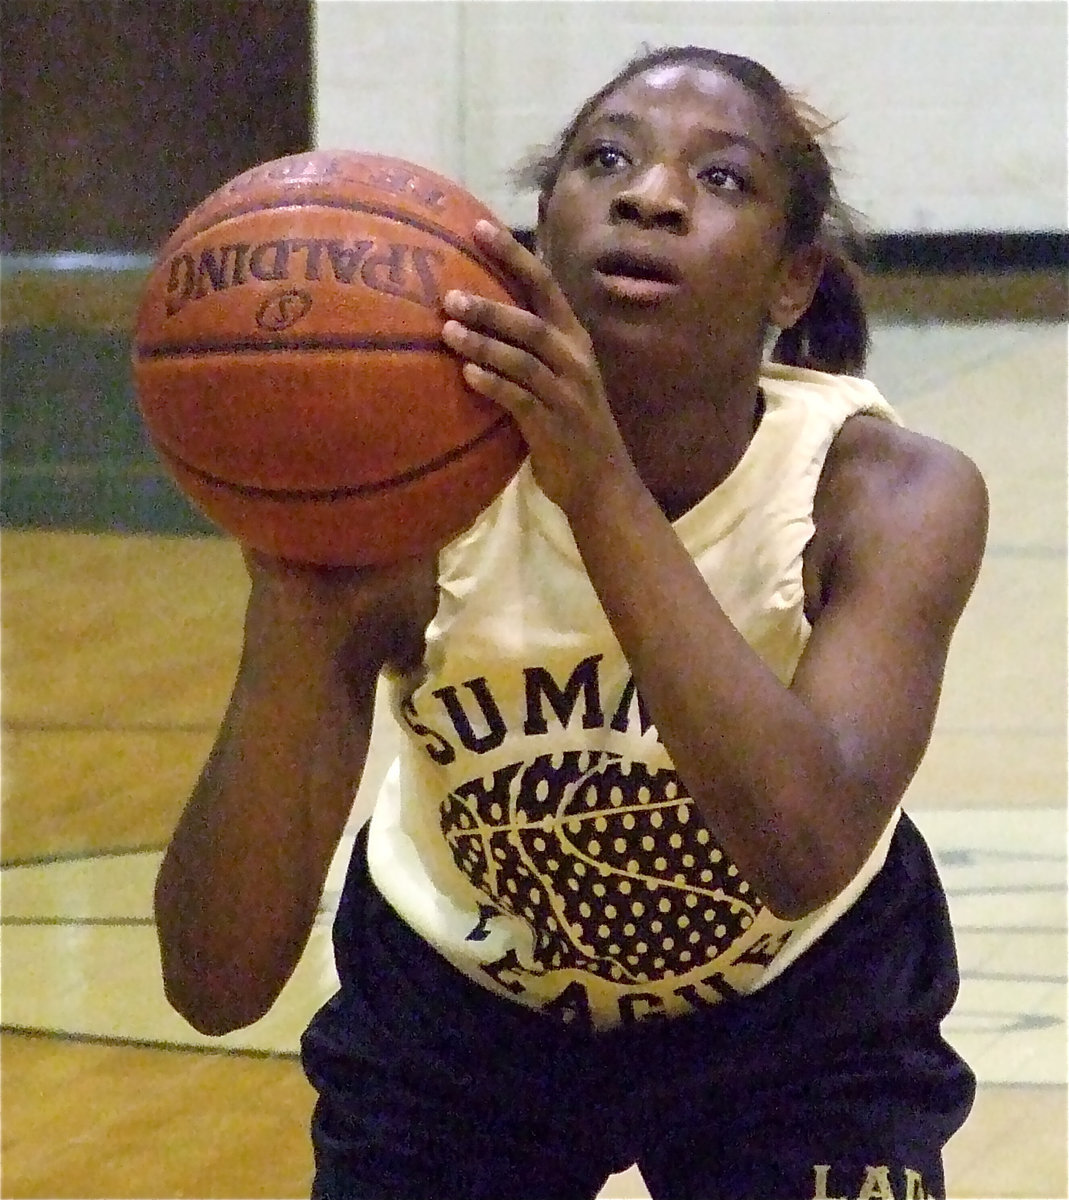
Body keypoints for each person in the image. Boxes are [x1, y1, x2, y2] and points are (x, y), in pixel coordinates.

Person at [154, 44, 989, 1200]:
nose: (649, 194)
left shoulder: (889, 494)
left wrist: (597, 484)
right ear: (538, 232)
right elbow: (216, 979)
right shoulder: (409, 497)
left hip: (800, 1012)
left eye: (722, 180)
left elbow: (801, 852)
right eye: (607, 159)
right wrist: (295, 605)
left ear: (792, 282)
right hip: (462, 1011)